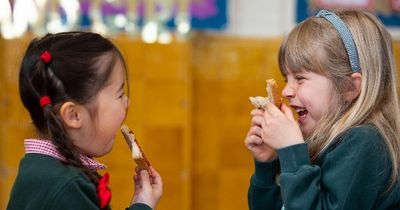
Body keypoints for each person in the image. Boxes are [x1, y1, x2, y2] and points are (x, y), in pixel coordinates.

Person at [245, 9, 400, 209]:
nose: (286, 91)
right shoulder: (320, 141)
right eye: (286, 79)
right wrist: (268, 164)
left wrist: (291, 151)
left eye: (300, 78)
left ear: (348, 87)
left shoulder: (365, 140)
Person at [7, 31, 162, 210]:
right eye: (119, 94)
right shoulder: (68, 188)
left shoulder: (38, 168)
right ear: (74, 116)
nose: (127, 102)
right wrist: (143, 206)